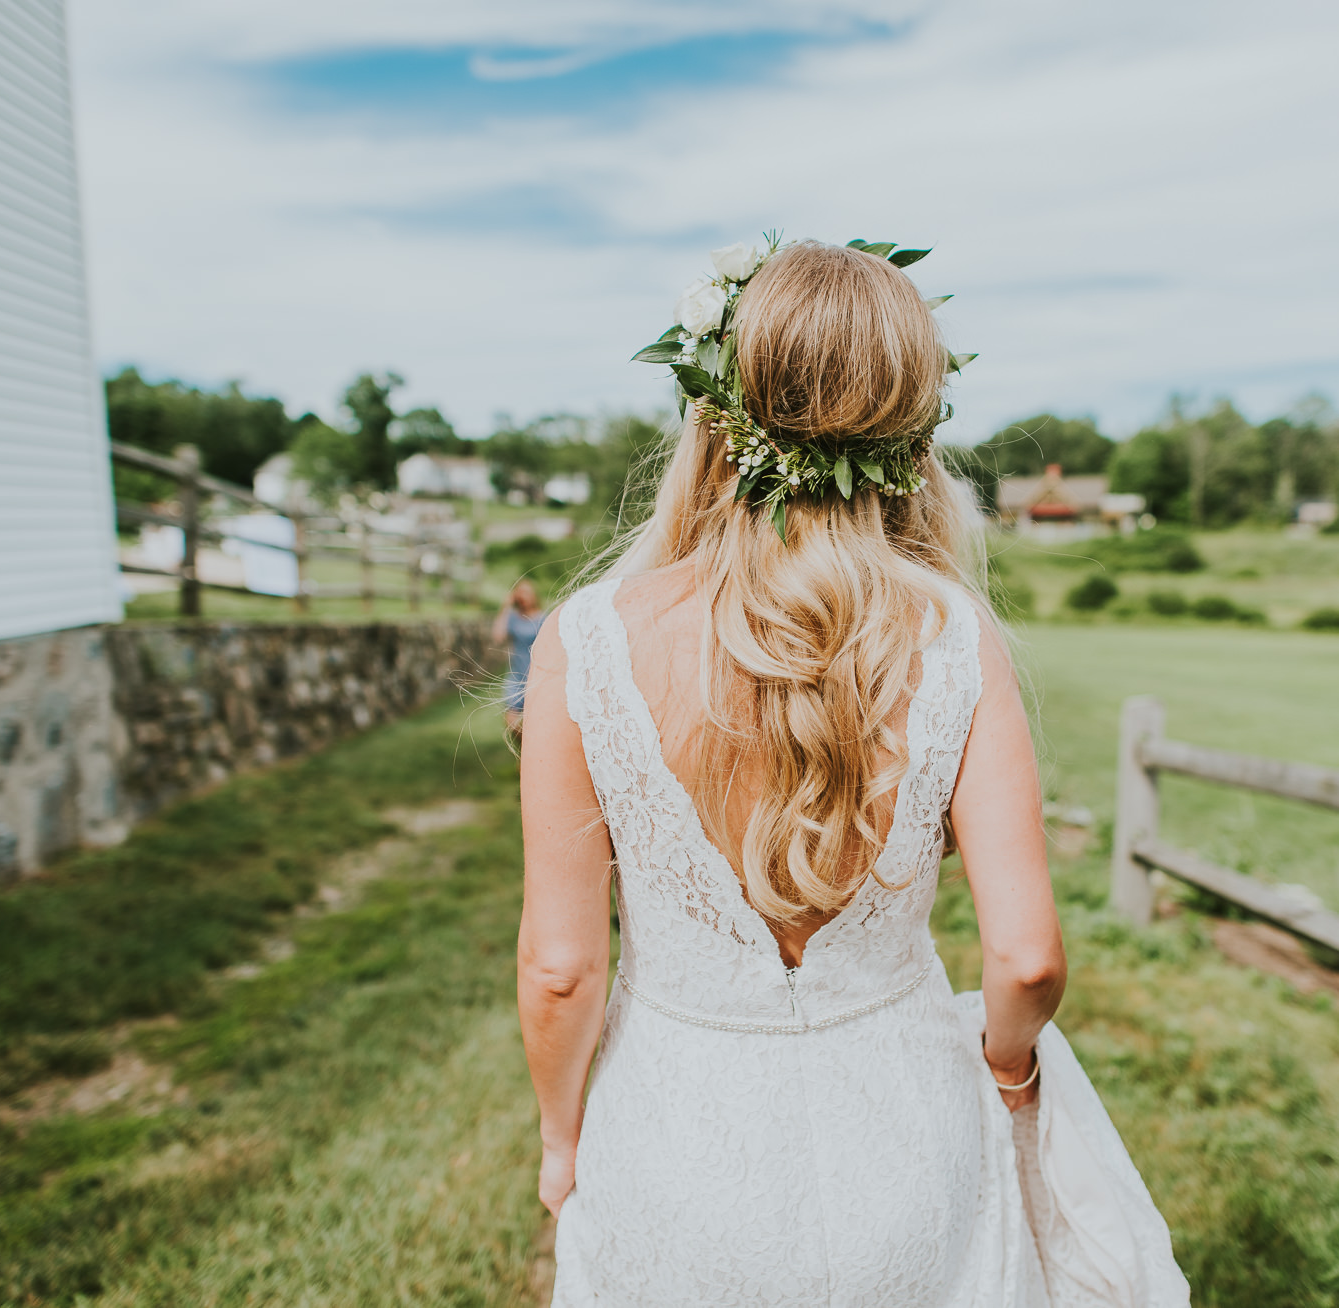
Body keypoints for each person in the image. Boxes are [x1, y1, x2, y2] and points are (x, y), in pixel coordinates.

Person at [515, 240, 1187, 1306]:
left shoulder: (589, 639)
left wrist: (563, 1138)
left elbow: (559, 970)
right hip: (909, 1146)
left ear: (714, 414)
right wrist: (1010, 1069)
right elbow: (1024, 957)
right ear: (910, 434)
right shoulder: (954, 636)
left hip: (677, 1145)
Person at [492, 578, 545, 741]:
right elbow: (498, 637)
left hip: (537, 676)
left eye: (527, 592)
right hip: (516, 675)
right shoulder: (513, 618)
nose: (524, 597)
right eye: (520, 593)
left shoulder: (543, 618)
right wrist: (506, 606)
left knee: (538, 724)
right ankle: (522, 755)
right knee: (512, 723)